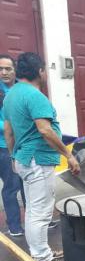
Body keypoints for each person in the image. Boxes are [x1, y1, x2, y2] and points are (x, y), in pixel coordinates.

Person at [3, 52, 80, 261]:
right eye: (45, 69)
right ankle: (43, 258)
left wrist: (13, 156)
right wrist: (69, 155)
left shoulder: (12, 95)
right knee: (40, 210)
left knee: (34, 209)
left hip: (25, 158)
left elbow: (9, 132)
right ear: (39, 71)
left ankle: (41, 250)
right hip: (37, 159)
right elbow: (45, 129)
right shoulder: (35, 95)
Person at [0, 54, 25, 236]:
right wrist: (14, 125)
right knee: (12, 185)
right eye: (0, 69)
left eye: (7, 68)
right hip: (3, 147)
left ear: (15, 69)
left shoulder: (21, 88)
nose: (3, 72)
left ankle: (36, 221)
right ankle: (14, 226)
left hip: (24, 145)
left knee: (28, 183)